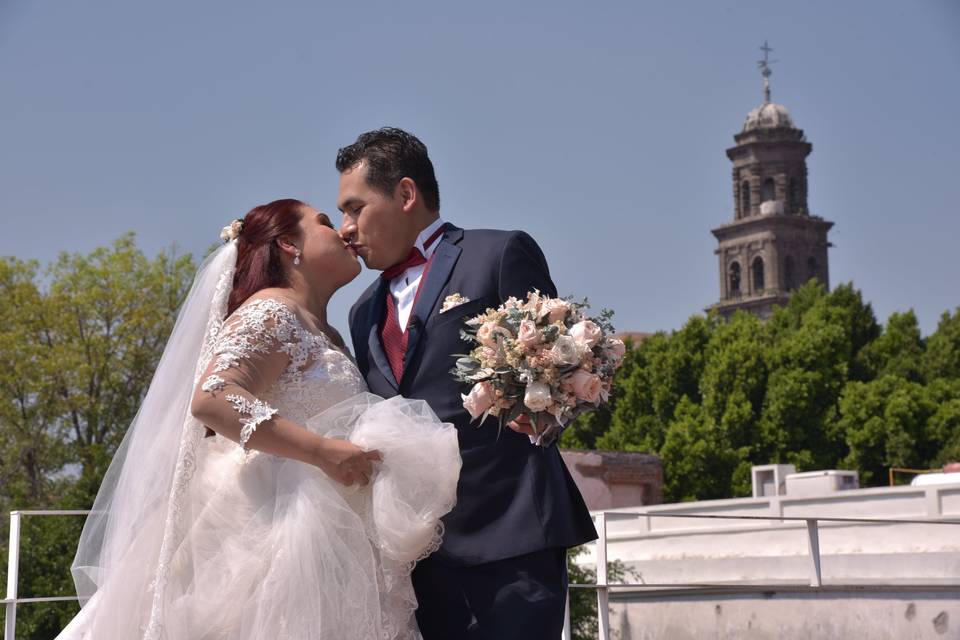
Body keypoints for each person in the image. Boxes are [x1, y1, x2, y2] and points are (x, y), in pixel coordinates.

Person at [55, 198, 461, 640]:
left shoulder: (324, 329)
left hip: (330, 531)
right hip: (273, 526)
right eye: (325, 222)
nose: (344, 231)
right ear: (289, 244)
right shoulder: (272, 311)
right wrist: (321, 451)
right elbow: (213, 396)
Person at [340, 128, 598, 640]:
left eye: (354, 208)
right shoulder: (360, 311)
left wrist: (545, 419)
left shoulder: (498, 253)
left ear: (406, 194)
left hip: (512, 534)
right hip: (419, 556)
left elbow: (558, 369)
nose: (346, 228)